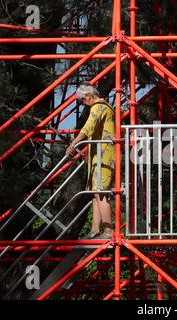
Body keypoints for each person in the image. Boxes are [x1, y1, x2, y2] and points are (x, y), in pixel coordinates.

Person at [66, 82, 115, 239]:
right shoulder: (103, 107)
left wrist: (74, 143)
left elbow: (88, 127)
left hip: (103, 156)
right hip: (99, 156)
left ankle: (108, 231)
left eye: (82, 100)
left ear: (88, 95)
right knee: (96, 194)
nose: (83, 103)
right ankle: (94, 230)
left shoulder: (98, 107)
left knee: (100, 194)